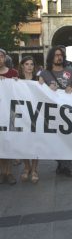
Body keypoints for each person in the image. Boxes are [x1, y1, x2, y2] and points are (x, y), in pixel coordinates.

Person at [39, 46, 72, 177]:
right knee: (55, 140)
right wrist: (47, 88)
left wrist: (71, 88)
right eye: (56, 55)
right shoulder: (44, 73)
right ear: (51, 57)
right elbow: (38, 90)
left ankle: (65, 165)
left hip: (68, 112)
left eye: (61, 55)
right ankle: (62, 163)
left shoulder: (70, 70)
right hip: (52, 113)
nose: (59, 57)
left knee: (69, 138)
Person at [18, 56, 39, 183]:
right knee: (23, 142)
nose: (29, 66)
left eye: (31, 64)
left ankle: (35, 169)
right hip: (21, 116)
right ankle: (27, 167)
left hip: (35, 116)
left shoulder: (38, 80)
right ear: (22, 66)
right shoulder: (16, 81)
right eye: (27, 64)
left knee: (35, 143)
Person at [0, 48, 18, 185]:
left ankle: (9, 172)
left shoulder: (13, 73)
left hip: (11, 113)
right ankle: (2, 172)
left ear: (5, 58)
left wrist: (16, 82)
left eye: (1, 56)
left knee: (9, 142)